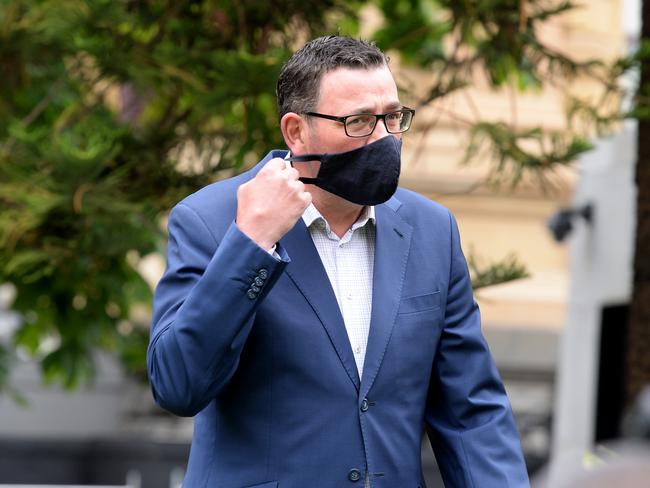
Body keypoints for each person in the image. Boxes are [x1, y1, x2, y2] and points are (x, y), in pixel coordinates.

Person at [148, 35, 529, 488]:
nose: (385, 138)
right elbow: (178, 385)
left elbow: (471, 413)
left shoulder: (432, 230)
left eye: (393, 117)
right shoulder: (212, 221)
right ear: (296, 131)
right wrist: (251, 243)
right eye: (360, 122)